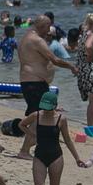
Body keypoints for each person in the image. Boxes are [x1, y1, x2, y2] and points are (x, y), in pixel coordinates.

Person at [19, 91, 85, 185]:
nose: (46, 110)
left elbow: (67, 140)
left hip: (56, 156)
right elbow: (21, 124)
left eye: (48, 108)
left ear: (55, 106)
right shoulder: (36, 115)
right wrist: (32, 135)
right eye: (44, 107)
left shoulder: (61, 119)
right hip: (39, 156)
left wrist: (77, 158)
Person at [17, 16, 77, 159]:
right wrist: (71, 66)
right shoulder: (37, 40)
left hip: (30, 82)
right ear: (42, 26)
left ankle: (29, 146)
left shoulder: (26, 37)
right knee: (38, 117)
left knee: (39, 116)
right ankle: (24, 150)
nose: (49, 31)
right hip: (34, 83)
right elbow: (54, 59)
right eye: (48, 27)